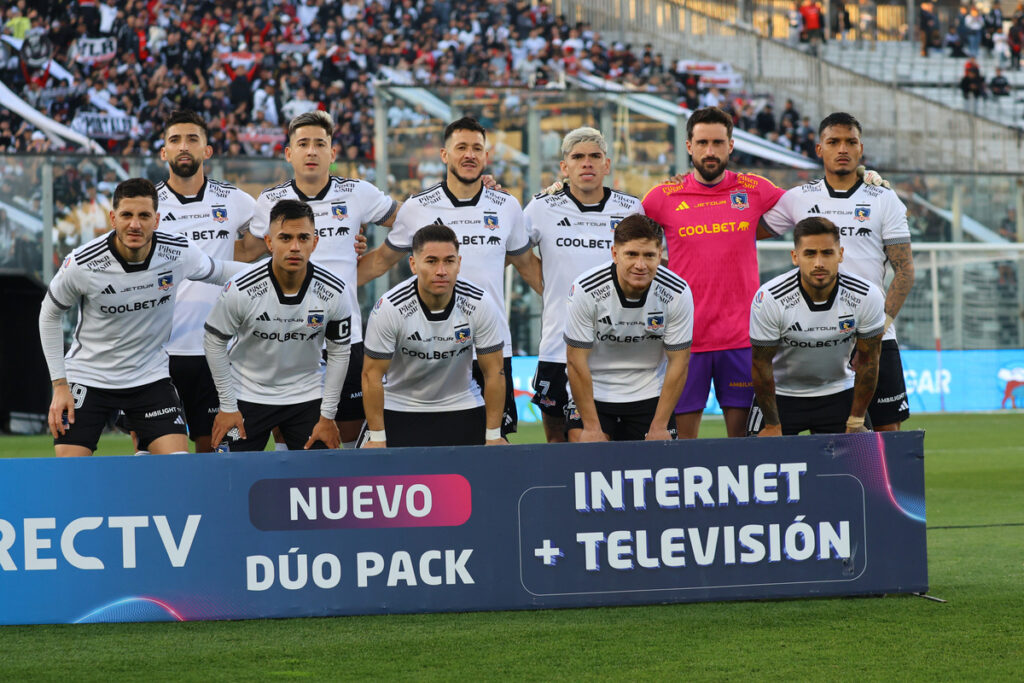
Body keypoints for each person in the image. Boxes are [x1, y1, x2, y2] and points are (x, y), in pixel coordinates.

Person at [358, 116, 542, 438]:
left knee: (491, 445)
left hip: (491, 347)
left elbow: (528, 267)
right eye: (461, 148)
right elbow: (380, 263)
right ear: (445, 155)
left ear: (486, 156)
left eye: (477, 148)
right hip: (429, 347)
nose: (469, 155)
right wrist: (331, 279)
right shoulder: (417, 207)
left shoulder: (507, 206)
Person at [38, 178, 245, 457]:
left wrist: (275, 269)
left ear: (157, 220)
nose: (135, 224)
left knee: (178, 467)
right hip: (88, 377)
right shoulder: (83, 262)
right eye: (127, 215)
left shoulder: (177, 253)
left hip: (148, 377)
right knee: (71, 472)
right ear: (113, 218)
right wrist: (60, 385)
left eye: (144, 216)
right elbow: (49, 314)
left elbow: (220, 270)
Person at [237, 110, 397, 448]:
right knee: (292, 437)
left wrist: (365, 267)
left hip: (343, 336)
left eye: (320, 144)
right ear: (289, 153)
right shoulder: (269, 201)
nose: (311, 151)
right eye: (303, 144)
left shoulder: (357, 193)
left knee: (347, 437)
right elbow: (247, 253)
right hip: (286, 338)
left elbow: (410, 219)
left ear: (332, 153)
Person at [762, 112, 914, 432]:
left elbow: (905, 271)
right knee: (832, 436)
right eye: (833, 142)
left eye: (850, 142)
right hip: (817, 338)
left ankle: (885, 486)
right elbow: (744, 227)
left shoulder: (884, 199)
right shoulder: (798, 198)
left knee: (889, 433)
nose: (842, 148)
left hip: (876, 333)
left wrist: (876, 332)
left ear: (861, 149)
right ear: (820, 149)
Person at [641, 107, 786, 439]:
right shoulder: (662, 197)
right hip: (684, 340)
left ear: (731, 145)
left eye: (718, 143)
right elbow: (628, 237)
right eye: (702, 142)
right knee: (683, 449)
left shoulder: (755, 189)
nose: (710, 151)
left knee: (741, 447)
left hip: (741, 338)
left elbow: (808, 206)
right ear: (689, 146)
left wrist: (861, 179)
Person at [524, 126, 644, 442]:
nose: (586, 163)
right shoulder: (541, 207)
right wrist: (548, 287)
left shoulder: (630, 208)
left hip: (616, 347)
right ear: (565, 167)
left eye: (595, 157)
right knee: (556, 441)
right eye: (578, 157)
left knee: (608, 442)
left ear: (607, 165)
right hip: (557, 346)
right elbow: (513, 252)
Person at [203, 199, 351, 452]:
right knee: (228, 479)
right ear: (270, 242)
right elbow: (213, 341)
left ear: (314, 243)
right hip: (247, 394)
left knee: (321, 480)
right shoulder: (241, 288)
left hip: (306, 394)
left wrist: (327, 416)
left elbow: (339, 352)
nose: (295, 247)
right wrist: (228, 406)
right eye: (285, 238)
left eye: (303, 238)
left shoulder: (334, 290)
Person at [157, 109, 256, 452]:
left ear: (207, 150)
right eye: (175, 140)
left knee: (215, 459)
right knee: (157, 459)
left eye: (192, 139)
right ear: (164, 151)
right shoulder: (147, 204)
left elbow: (271, 240)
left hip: (220, 348)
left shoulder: (234, 200)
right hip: (159, 350)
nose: (184, 146)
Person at [360, 224, 508, 448]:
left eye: (449, 261)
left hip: (461, 403)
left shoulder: (480, 303)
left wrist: (494, 434)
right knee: (367, 472)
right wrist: (378, 438)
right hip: (400, 405)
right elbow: (371, 376)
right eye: (431, 261)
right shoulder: (390, 308)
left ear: (459, 264)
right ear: (413, 264)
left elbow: (494, 372)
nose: (441, 271)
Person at [747, 217, 884, 436]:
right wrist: (772, 424)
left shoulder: (866, 295)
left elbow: (870, 361)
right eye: (810, 253)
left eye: (827, 253)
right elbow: (760, 364)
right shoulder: (770, 298)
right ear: (795, 257)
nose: (819, 263)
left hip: (839, 391)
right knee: (758, 464)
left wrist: (857, 419)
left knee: (862, 467)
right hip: (781, 396)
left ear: (840, 254)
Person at [564, 214, 692, 442]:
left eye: (649, 255)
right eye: (631, 254)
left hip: (649, 391)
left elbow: (679, 362)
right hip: (595, 389)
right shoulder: (586, 289)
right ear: (615, 254)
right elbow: (575, 361)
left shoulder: (677, 292)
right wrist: (592, 427)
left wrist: (660, 425)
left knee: (659, 465)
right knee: (586, 453)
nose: (640, 265)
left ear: (660, 255)